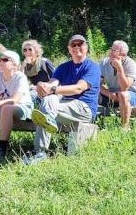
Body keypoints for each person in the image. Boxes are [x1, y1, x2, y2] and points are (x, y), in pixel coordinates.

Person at [27, 35, 101, 164]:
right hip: (64, 106)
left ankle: (40, 152)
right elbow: (52, 83)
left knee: (47, 106)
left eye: (80, 44)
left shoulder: (92, 67)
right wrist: (42, 86)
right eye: (73, 45)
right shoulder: (63, 67)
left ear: (86, 48)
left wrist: (53, 90)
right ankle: (40, 151)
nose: (77, 47)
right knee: (48, 101)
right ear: (69, 48)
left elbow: (79, 88)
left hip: (84, 108)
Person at [99, 40, 136, 129]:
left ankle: (125, 127)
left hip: (132, 96)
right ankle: (89, 122)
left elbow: (124, 87)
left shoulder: (131, 64)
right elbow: (96, 85)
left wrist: (119, 68)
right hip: (112, 96)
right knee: (89, 91)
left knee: (122, 94)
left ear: (123, 55)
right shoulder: (104, 63)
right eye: (111, 49)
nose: (111, 53)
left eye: (115, 51)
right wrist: (108, 93)